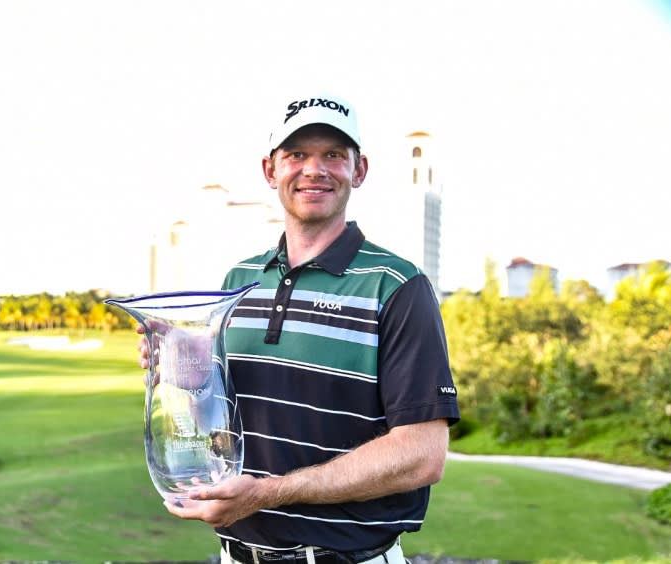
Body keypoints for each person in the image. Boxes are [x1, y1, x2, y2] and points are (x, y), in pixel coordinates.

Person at [139, 93, 460, 564]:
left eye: (333, 155)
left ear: (360, 170)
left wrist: (269, 493)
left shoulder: (397, 286)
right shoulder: (238, 281)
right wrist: (187, 374)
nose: (314, 169)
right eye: (297, 155)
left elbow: (421, 455)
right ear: (271, 171)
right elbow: (217, 413)